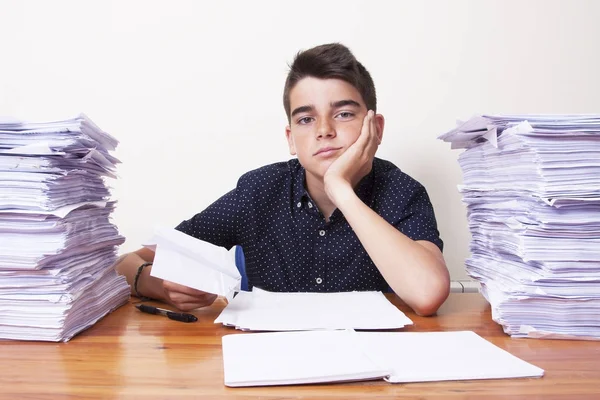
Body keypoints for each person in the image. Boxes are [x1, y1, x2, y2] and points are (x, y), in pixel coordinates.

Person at [115, 43, 450, 316]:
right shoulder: (259, 193)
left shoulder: (402, 192)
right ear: (291, 138)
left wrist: (341, 189)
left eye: (344, 114)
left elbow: (428, 294)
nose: (324, 131)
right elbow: (127, 262)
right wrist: (158, 285)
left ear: (375, 129)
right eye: (306, 118)